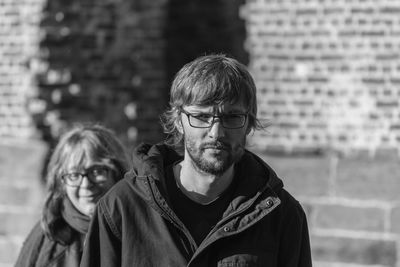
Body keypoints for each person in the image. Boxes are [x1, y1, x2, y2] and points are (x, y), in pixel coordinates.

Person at [80, 54, 312, 266]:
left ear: (249, 123)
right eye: (201, 117)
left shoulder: (281, 215)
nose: (216, 132)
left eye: (232, 117)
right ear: (179, 121)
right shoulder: (122, 208)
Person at [15, 125, 130, 267]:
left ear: (118, 173)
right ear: (61, 182)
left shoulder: (138, 231)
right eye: (74, 175)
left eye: (97, 171)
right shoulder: (45, 240)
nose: (86, 184)